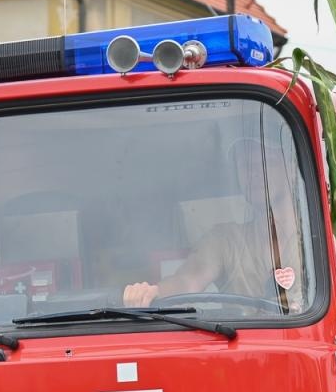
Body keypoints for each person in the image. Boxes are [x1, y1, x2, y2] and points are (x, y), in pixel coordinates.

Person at [122, 134, 306, 312]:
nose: (253, 171)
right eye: (244, 163)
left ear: (291, 168)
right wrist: (153, 292)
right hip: (244, 342)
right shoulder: (226, 240)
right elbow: (189, 279)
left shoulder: (317, 242)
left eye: (266, 160)